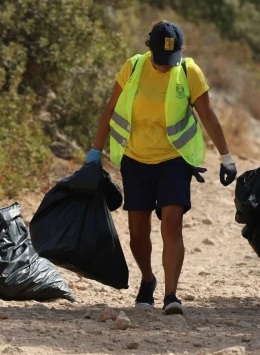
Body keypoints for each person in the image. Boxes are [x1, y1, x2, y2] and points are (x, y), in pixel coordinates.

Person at [86, 21, 237, 315]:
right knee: (138, 233)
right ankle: (147, 279)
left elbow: (208, 114)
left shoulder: (189, 72)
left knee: (172, 224)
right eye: (161, 60)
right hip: (136, 158)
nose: (167, 66)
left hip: (174, 160)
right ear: (149, 49)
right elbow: (111, 109)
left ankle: (171, 294)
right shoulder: (132, 68)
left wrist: (226, 156)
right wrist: (94, 152)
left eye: (172, 60)